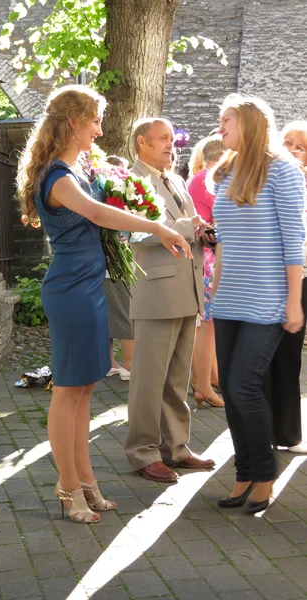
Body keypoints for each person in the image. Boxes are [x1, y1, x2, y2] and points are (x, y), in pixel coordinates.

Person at [16, 86, 192, 523]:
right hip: (71, 289)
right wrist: (159, 225)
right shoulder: (58, 176)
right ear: (74, 122)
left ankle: (87, 481)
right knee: (68, 389)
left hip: (92, 285)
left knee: (86, 388)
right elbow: (96, 214)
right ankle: (68, 486)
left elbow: (107, 199)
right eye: (95, 120)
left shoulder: (80, 167)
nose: (99, 128)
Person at [211, 95, 305, 514]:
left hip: (267, 298)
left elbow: (294, 242)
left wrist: (295, 302)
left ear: (249, 122)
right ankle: (244, 473)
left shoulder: (283, 169)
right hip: (229, 297)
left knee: (243, 387)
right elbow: (227, 240)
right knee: (231, 393)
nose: (220, 128)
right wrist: (215, 287)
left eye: (226, 120)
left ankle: (265, 474)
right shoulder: (225, 171)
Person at [124, 117, 215, 484]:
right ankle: (142, 452)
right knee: (149, 379)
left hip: (187, 289)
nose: (170, 145)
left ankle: (175, 447)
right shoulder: (130, 180)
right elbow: (134, 231)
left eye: (172, 139)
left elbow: (189, 222)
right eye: (162, 139)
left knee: (177, 377)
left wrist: (203, 232)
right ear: (142, 143)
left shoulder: (175, 179)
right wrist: (187, 227)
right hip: (155, 290)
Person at [263, 120, 307, 454]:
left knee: (290, 357)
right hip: (281, 279)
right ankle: (275, 432)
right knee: (278, 355)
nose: (292, 150)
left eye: (301, 147)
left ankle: (287, 432)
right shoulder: (273, 179)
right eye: (288, 142)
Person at [188, 136, 225, 408]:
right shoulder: (207, 180)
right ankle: (203, 385)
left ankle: (208, 378)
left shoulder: (197, 178)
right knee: (207, 327)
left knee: (205, 326)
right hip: (209, 259)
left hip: (205, 258)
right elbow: (212, 225)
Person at [103, 155, 134, 381]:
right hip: (113, 265)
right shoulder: (110, 201)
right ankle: (129, 366)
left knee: (109, 315)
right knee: (125, 314)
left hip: (107, 264)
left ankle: (109, 363)